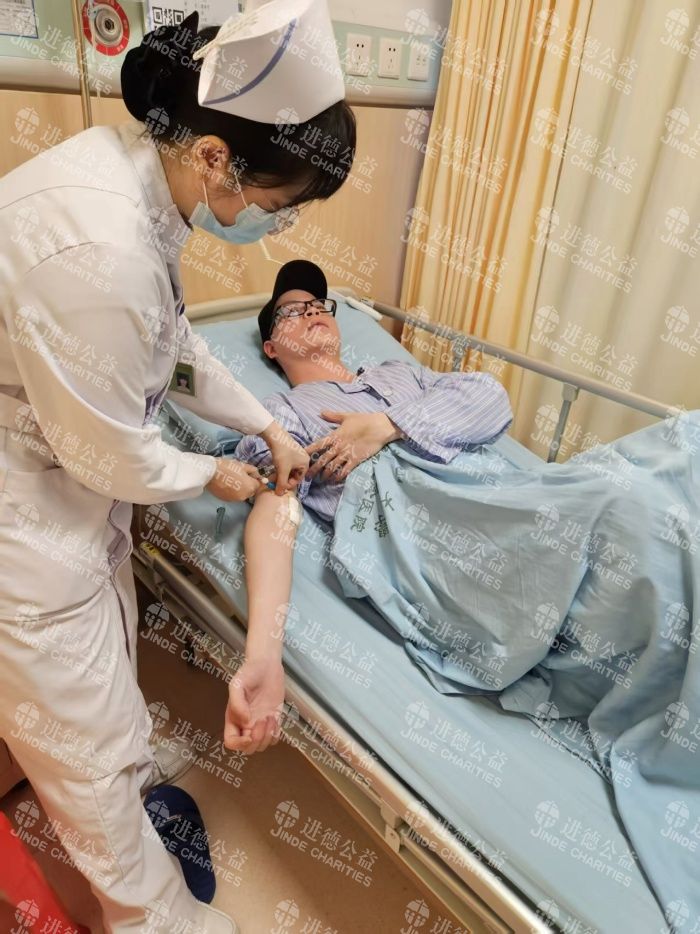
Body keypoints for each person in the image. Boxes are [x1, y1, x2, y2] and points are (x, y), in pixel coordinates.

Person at [0, 1, 355, 929]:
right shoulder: (98, 244)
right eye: (274, 207)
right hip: (25, 523)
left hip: (71, 489)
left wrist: (266, 423)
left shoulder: (140, 181)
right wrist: (213, 475)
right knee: (86, 758)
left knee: (110, 675)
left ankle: (128, 781)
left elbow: (170, 343)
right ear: (214, 157)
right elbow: (105, 450)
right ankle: (156, 917)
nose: (273, 228)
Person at [221, 260, 512, 750]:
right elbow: (276, 501)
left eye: (319, 305)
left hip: (501, 492)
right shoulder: (281, 413)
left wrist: (386, 426)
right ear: (271, 347)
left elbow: (490, 397)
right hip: (441, 530)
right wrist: (263, 655)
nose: (312, 312)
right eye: (292, 311)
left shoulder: (398, 374)